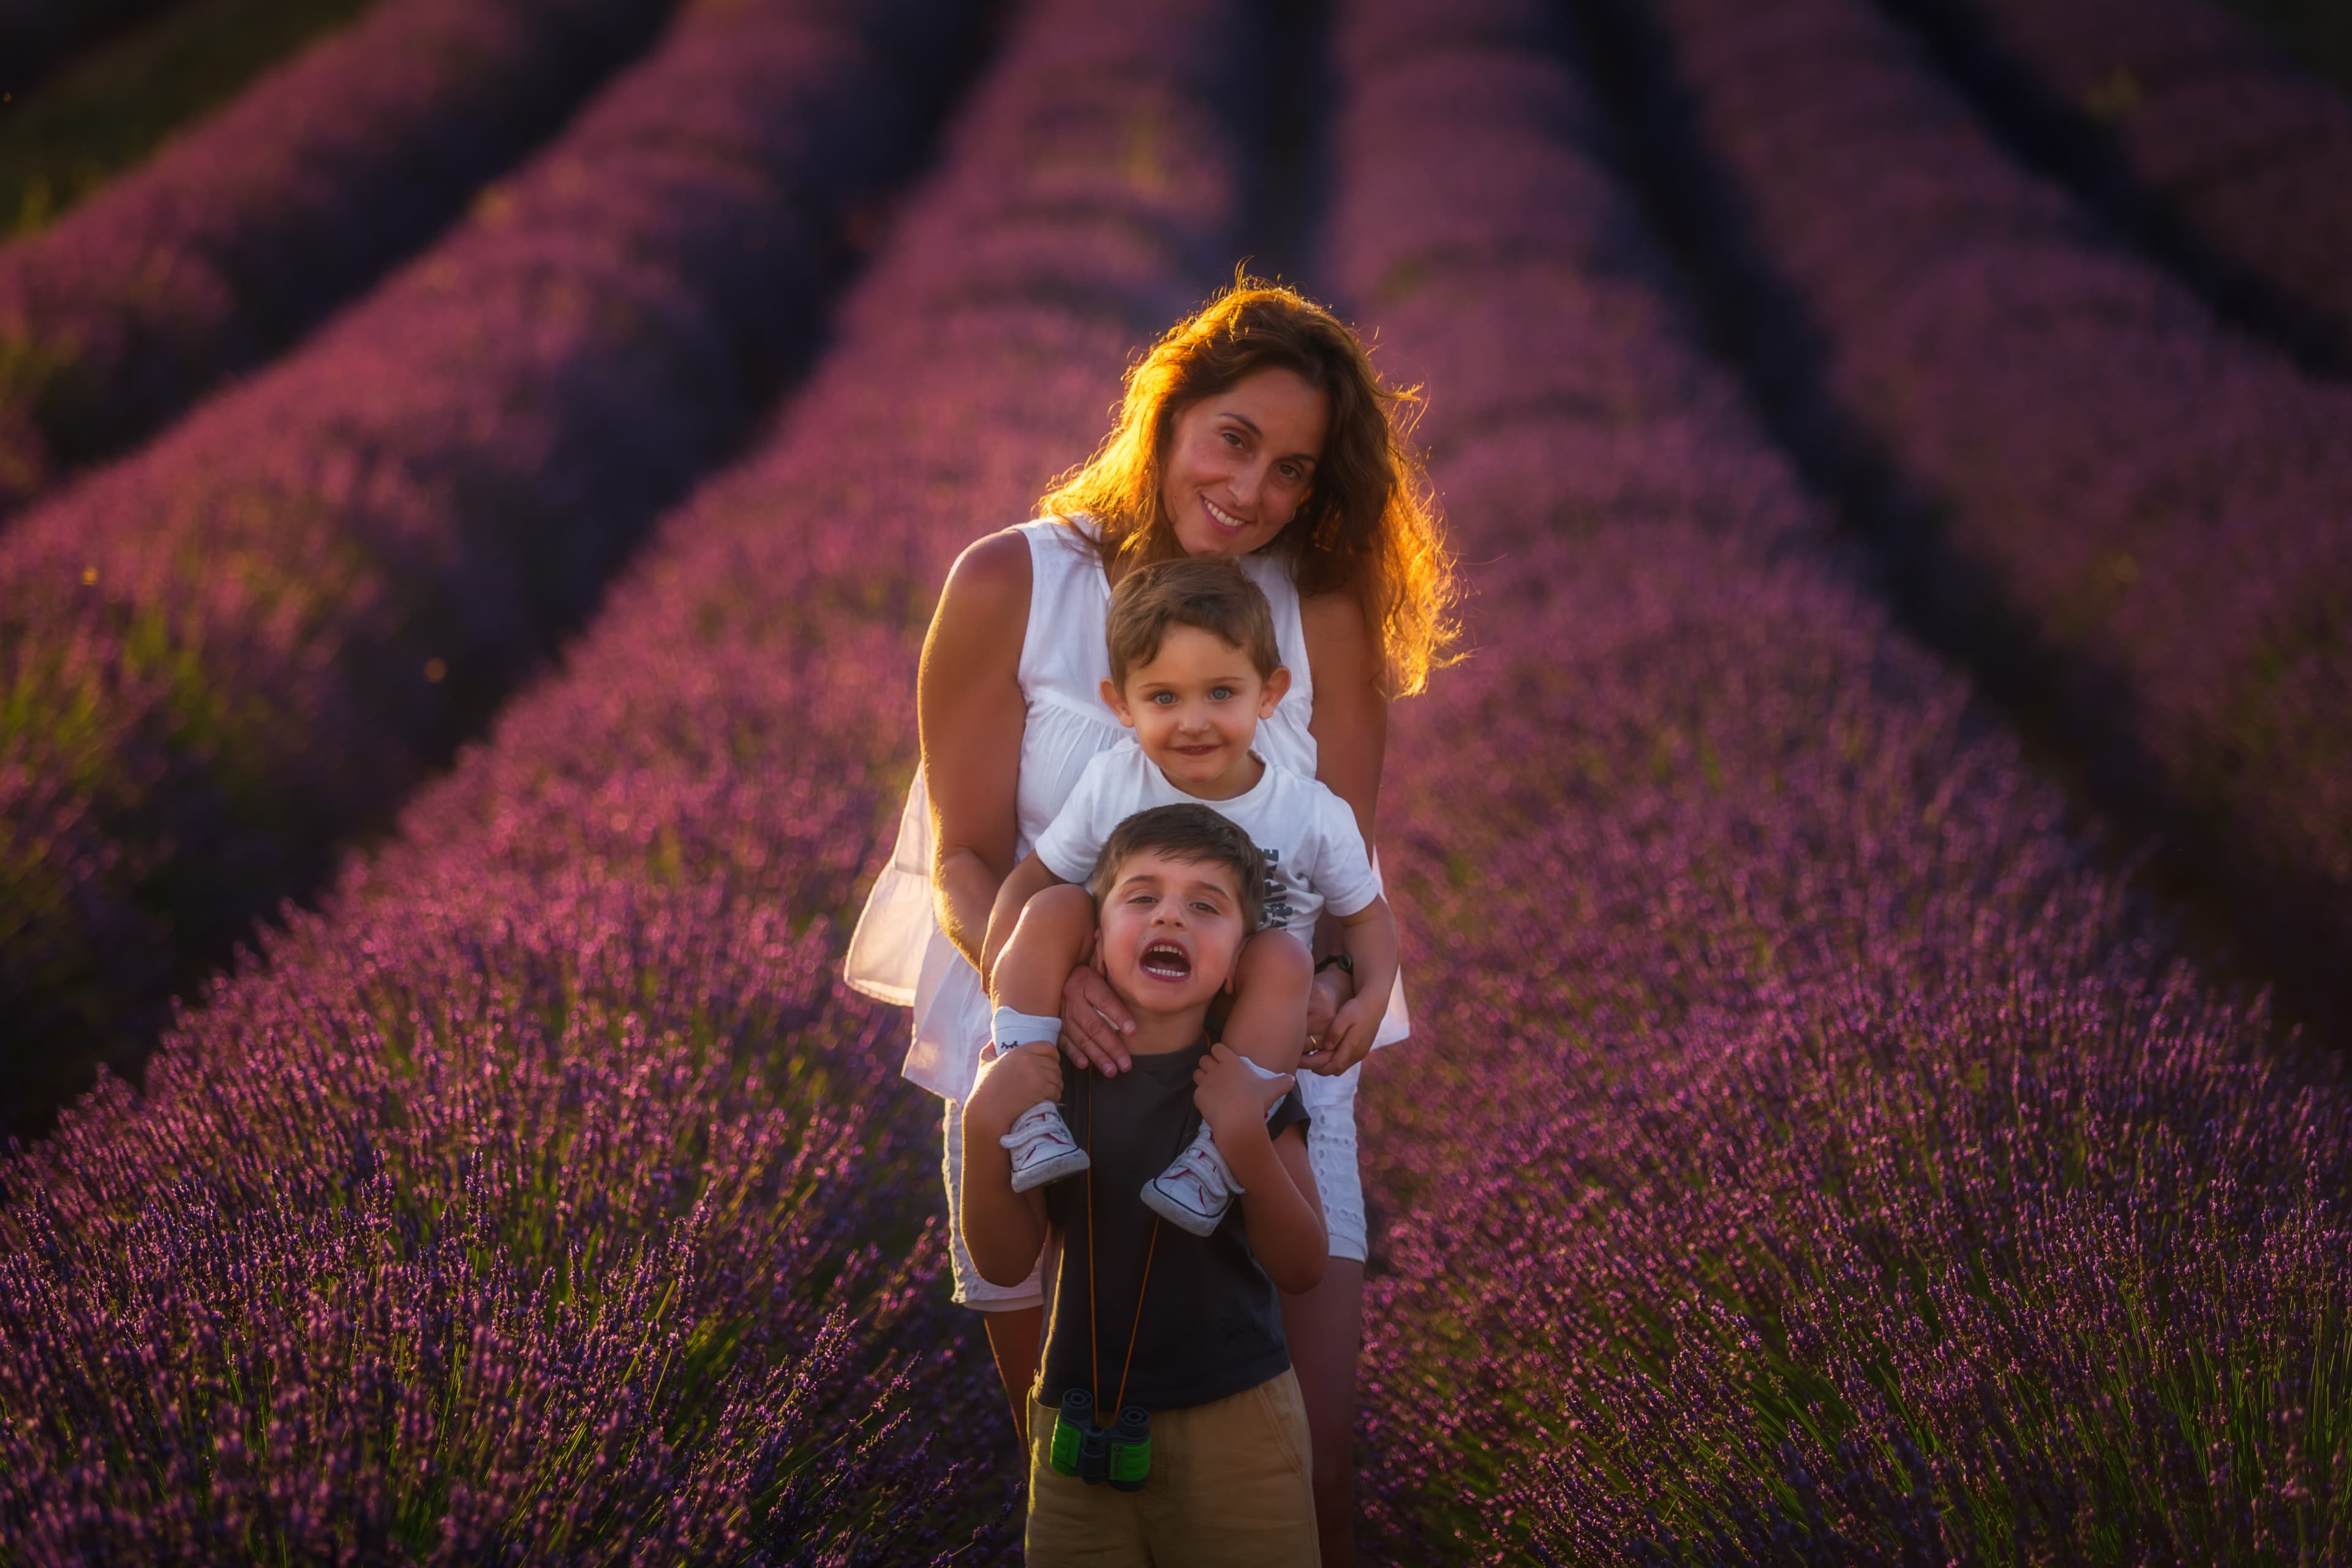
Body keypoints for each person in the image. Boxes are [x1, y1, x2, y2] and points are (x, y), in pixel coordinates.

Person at [845, 278, 1459, 1567]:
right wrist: (1047, 988)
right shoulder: (1012, 578)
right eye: (1234, 438)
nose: (1253, 490)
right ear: (1170, 411)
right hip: (1054, 1068)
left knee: (1316, 1476)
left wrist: (1344, 986)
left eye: (1294, 468)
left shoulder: (1321, 612)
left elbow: (1341, 860)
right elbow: (963, 854)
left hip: (1256, 1078)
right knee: (1080, 1465)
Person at [976, 556, 1400, 1242]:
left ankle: (1216, 1152)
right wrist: (1015, 983)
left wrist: (1371, 998)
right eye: (1164, 698)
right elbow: (1034, 881)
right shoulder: (1115, 780)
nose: (1194, 722)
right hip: (1129, 1026)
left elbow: (1369, 918)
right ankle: (1031, 1108)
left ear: (1270, 692)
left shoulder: (1309, 813)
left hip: (1248, 1036)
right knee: (1052, 910)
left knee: (1280, 959)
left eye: (1222, 693)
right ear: (1122, 704)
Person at [962, 804, 1325, 1565]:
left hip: (1240, 1427)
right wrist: (978, 1130)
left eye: (1205, 905)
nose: (1171, 914)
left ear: (1236, 963)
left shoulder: (1244, 1084)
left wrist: (1241, 1140)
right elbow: (1002, 1263)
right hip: (1074, 1428)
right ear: (1092, 943)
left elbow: (1302, 1266)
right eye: (1142, 896)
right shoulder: (1054, 1077)